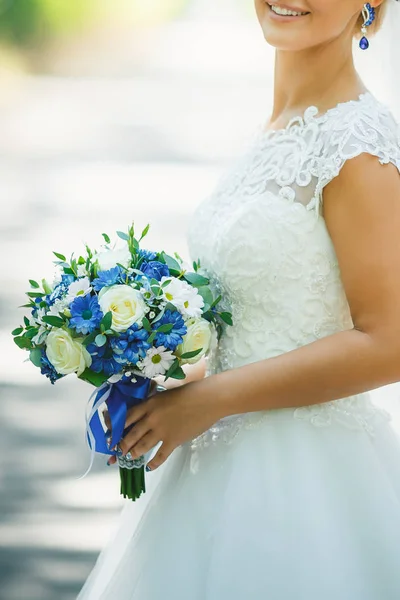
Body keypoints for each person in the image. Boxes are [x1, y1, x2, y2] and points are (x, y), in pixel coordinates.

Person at [77, 1, 400, 598]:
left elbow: (390, 343)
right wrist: (165, 366)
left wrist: (213, 400)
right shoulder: (276, 127)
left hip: (303, 487)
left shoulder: (358, 144)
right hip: (209, 465)